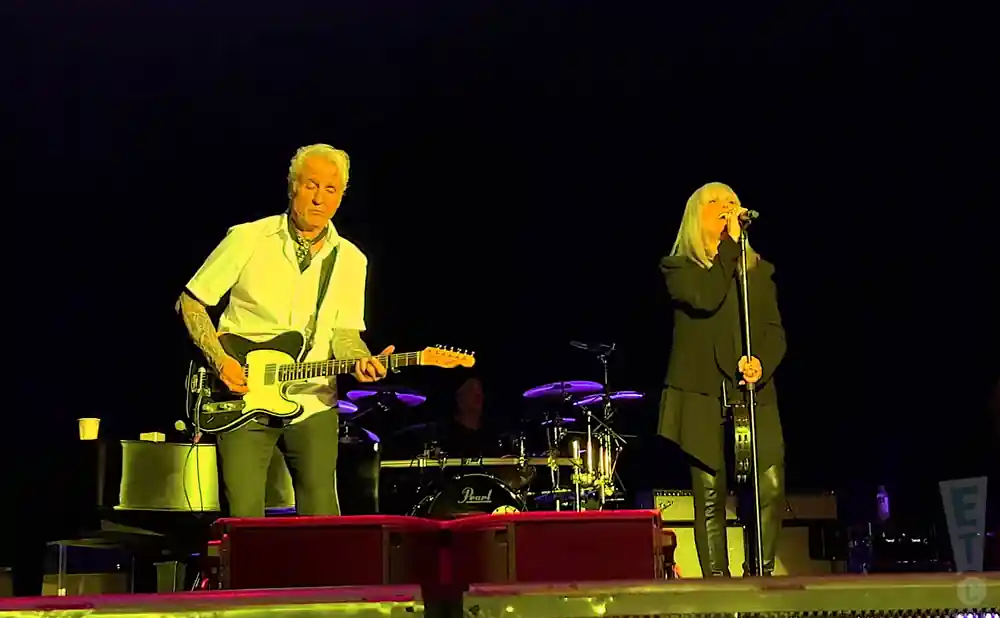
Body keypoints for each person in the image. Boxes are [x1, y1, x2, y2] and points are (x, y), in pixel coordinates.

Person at [177, 143, 393, 518]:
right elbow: (191, 302)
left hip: (314, 402)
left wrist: (360, 360)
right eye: (311, 185)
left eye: (330, 189)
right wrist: (220, 360)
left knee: (324, 519)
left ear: (341, 197)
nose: (319, 198)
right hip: (242, 396)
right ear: (293, 186)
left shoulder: (352, 260)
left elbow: (344, 334)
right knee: (244, 519)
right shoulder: (249, 238)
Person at [657, 182, 787, 577]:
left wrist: (761, 362)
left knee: (770, 484)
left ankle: (761, 576)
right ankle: (717, 586)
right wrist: (729, 249)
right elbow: (706, 298)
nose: (725, 206)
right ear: (695, 216)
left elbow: (774, 329)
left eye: (731, 200)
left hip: (751, 391)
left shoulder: (758, 271)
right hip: (699, 392)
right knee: (710, 493)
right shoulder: (679, 269)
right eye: (713, 201)